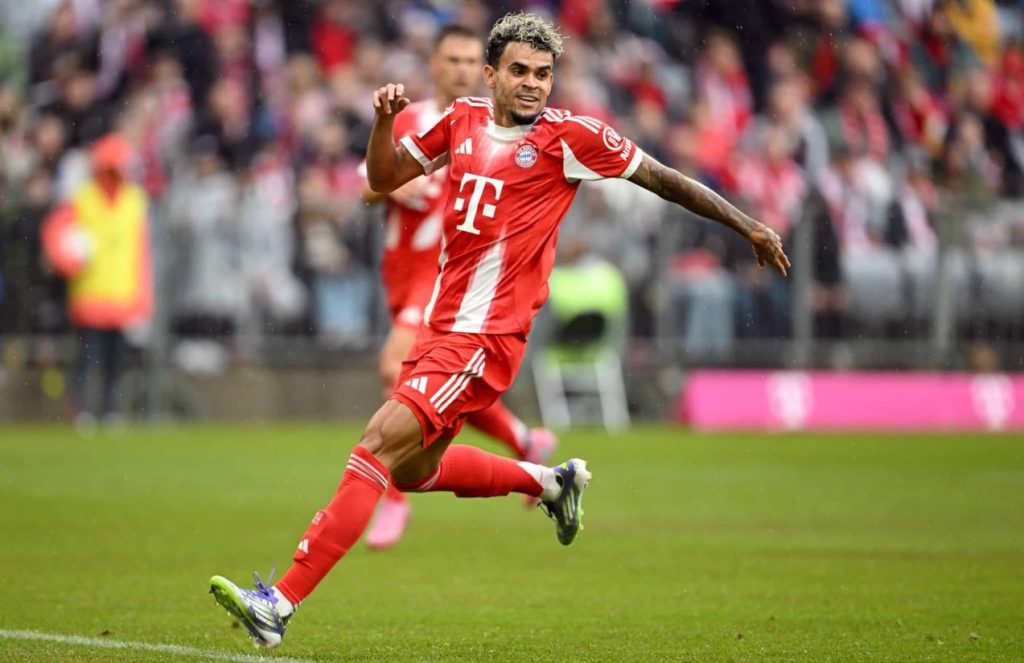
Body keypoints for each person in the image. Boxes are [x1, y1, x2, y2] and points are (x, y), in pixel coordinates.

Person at [209, 13, 789, 649]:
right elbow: (381, 180)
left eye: (544, 74)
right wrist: (380, 122)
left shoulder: (572, 138)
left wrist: (748, 226)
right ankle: (548, 480)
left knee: (376, 443)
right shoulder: (460, 121)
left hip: (486, 339)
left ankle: (280, 602)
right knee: (408, 471)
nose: (534, 84)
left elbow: (666, 181)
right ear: (492, 75)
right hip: (442, 326)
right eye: (520, 71)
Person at [358, 24, 558, 550]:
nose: (463, 70)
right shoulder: (427, 118)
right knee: (439, 387)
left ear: (484, 69)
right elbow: (367, 187)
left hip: (448, 274)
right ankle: (525, 440)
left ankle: (393, 503)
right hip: (403, 270)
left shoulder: (502, 127)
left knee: (393, 372)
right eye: (454, 59)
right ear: (435, 63)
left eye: (472, 60)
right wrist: (402, 185)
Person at [40, 133, 153, 426]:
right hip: (90, 298)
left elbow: (141, 257)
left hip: (120, 299)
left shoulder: (134, 201)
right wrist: (70, 261)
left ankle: (111, 410)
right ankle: (82, 411)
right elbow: (56, 236)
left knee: (116, 364)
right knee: (87, 361)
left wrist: (142, 302)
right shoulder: (83, 199)